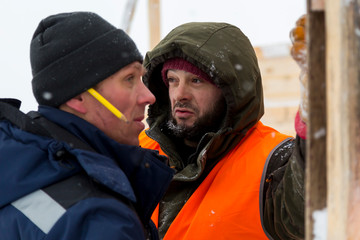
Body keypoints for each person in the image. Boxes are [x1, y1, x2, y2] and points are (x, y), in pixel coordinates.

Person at [0, 12, 174, 240]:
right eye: (129, 79)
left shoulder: (20, 163)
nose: (148, 96)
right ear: (78, 97)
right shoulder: (98, 220)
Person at [138, 18, 307, 240]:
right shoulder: (140, 149)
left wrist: (317, 111)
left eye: (196, 81)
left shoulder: (274, 161)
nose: (180, 94)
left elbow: (309, 213)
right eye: (172, 80)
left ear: (229, 92)